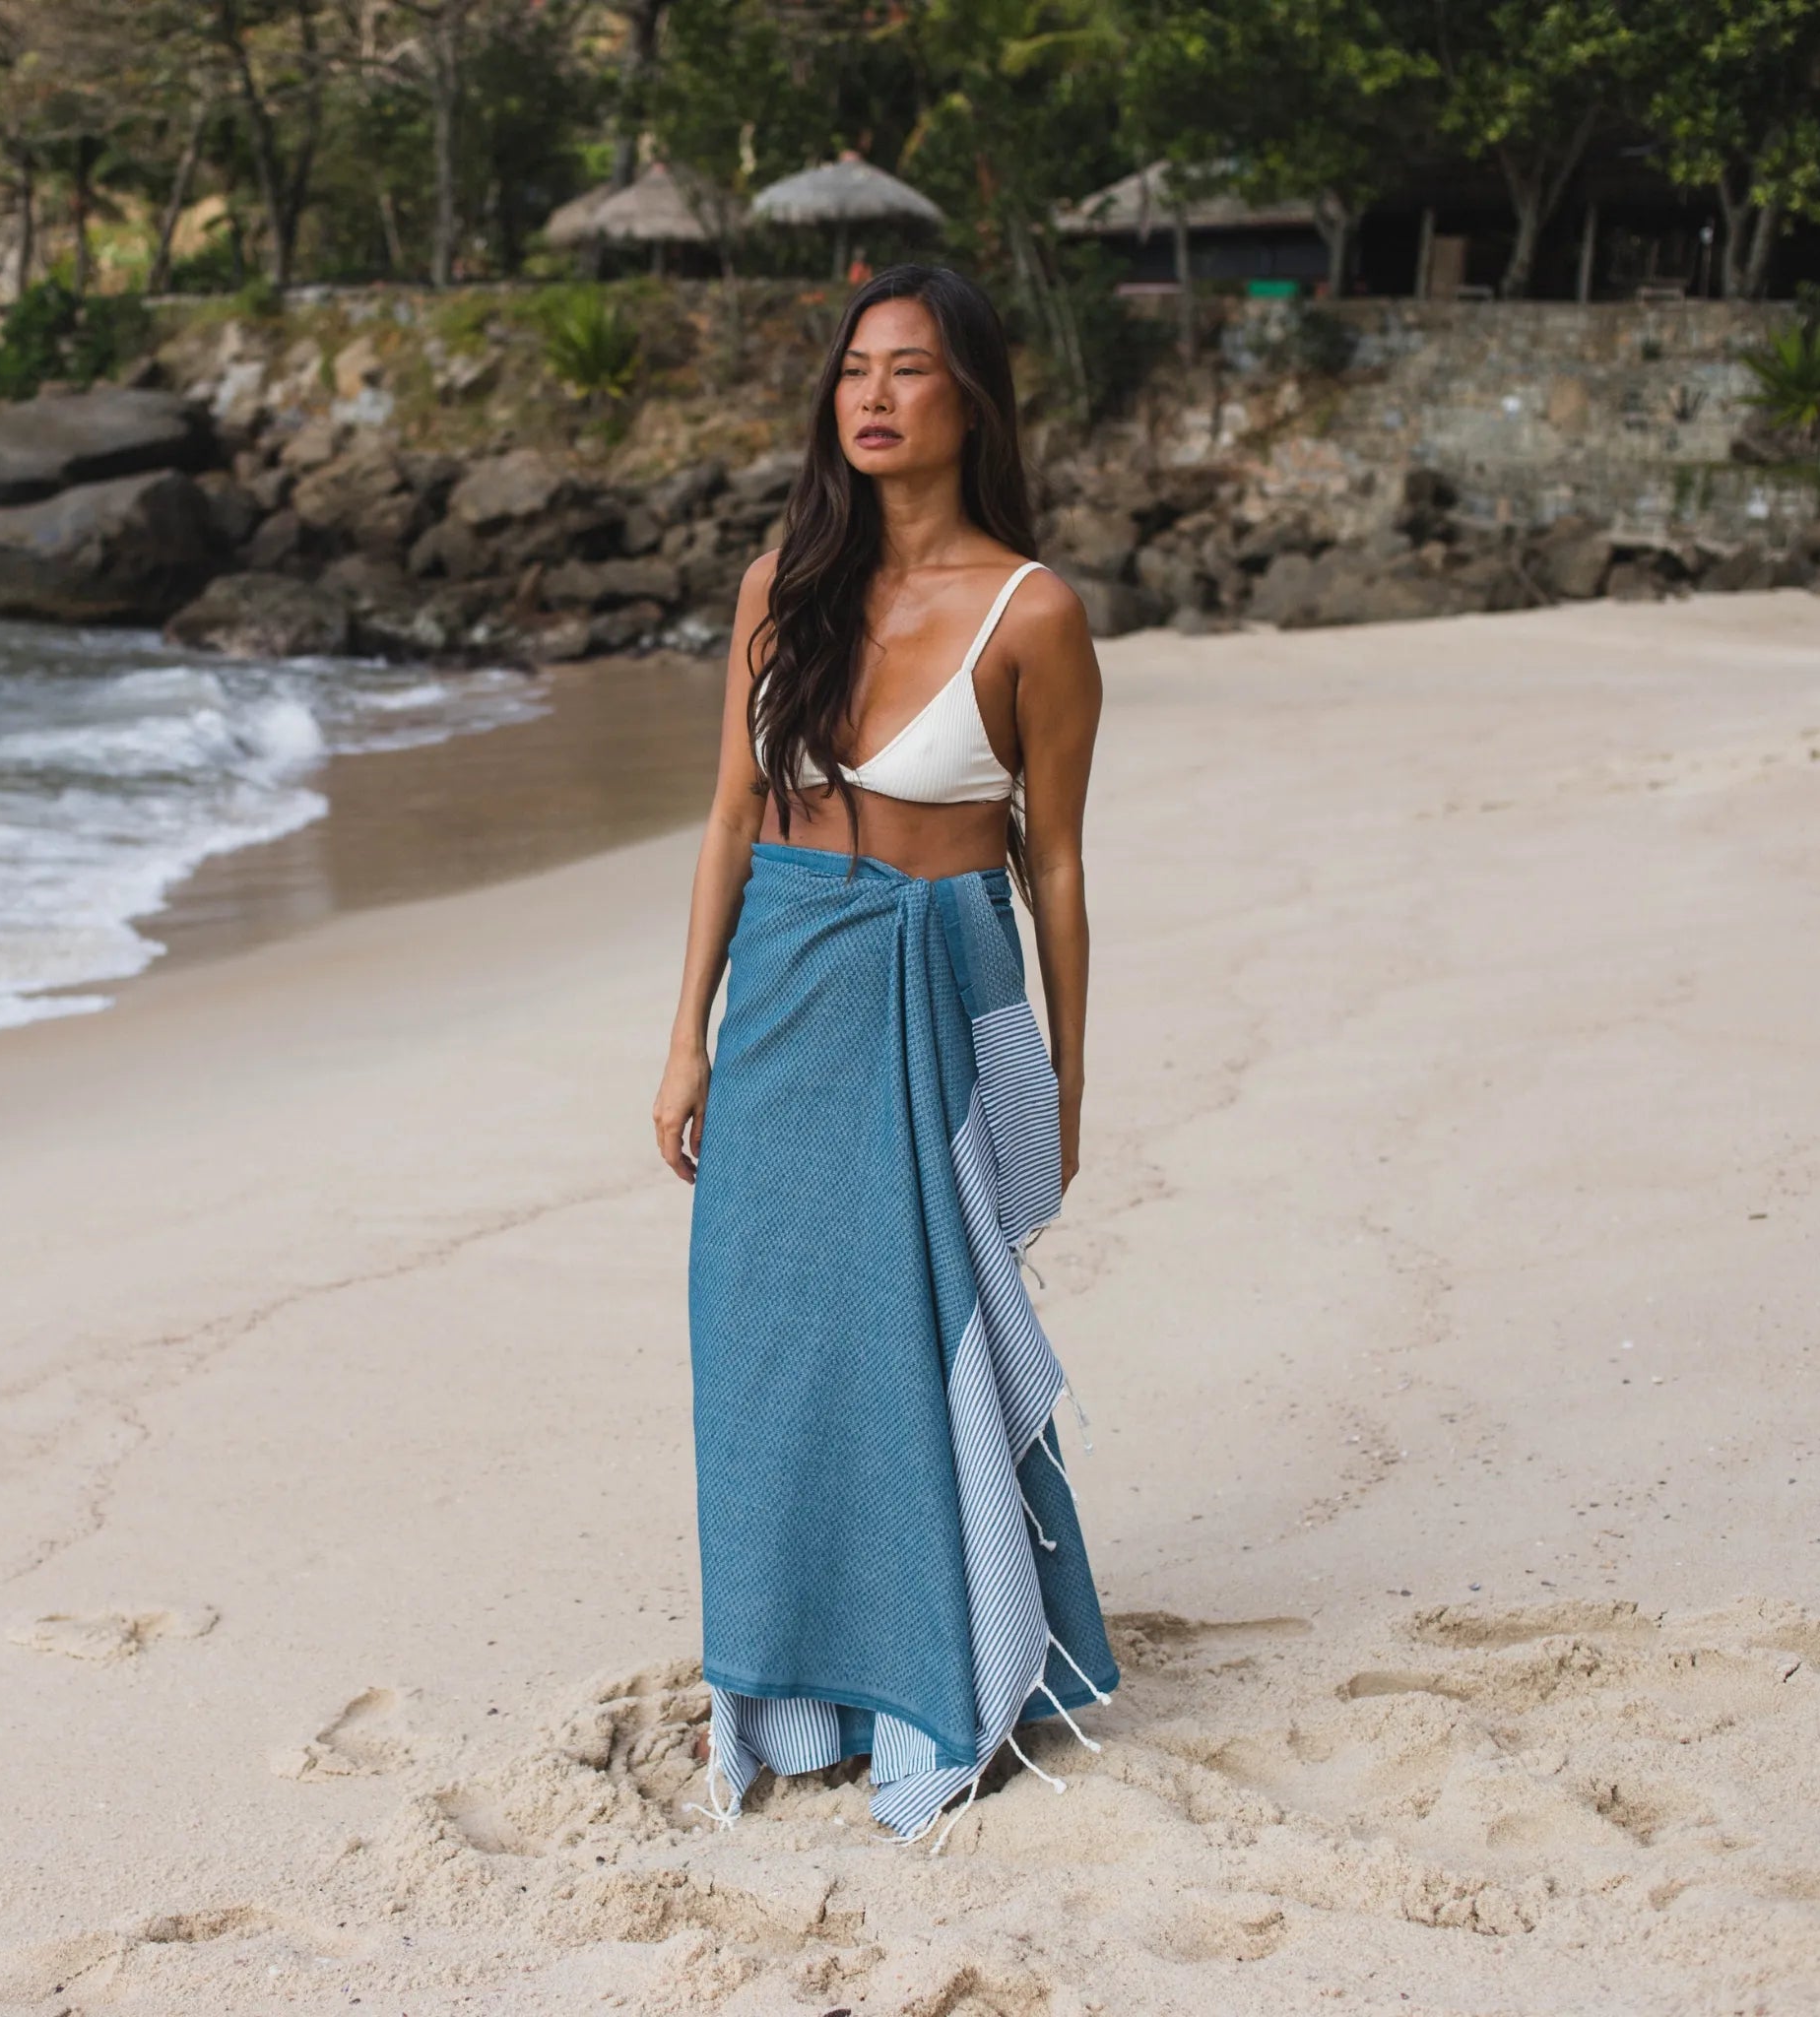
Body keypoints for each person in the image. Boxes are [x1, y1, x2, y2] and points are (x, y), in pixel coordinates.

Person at [652, 262, 1118, 1852]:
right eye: (855, 370)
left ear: (969, 398)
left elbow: (1052, 864)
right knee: (766, 1340)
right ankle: (786, 1685)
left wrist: (1065, 1086)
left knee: (923, 1340)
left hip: (937, 996)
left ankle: (938, 1669)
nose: (871, 396)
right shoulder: (783, 582)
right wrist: (685, 1041)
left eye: (909, 370)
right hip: (782, 989)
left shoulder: (1033, 611)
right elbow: (729, 816)